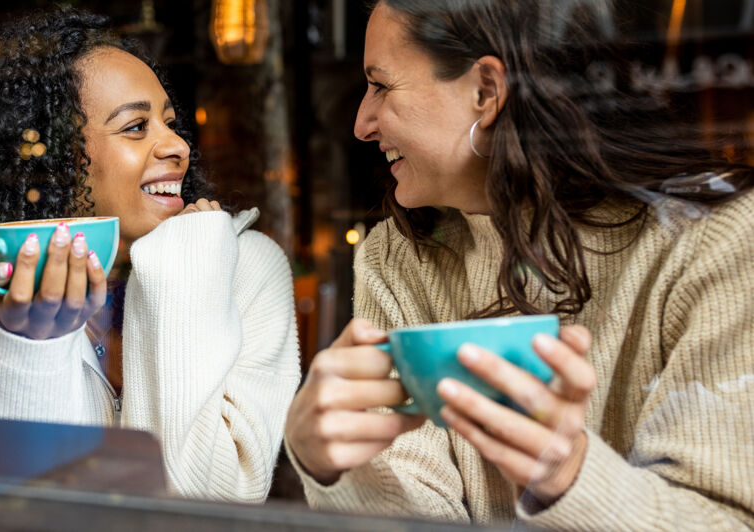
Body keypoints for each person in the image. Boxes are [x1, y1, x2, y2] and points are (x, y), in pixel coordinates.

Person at [284, 0, 754, 528]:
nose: (361, 124)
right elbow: (422, 508)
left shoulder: (718, 239)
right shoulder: (397, 254)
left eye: (382, 86)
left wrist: (570, 477)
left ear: (486, 91)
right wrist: (332, 466)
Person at [0, 8, 299, 502]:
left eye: (170, 123)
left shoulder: (245, 267)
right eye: (136, 127)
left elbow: (217, 499)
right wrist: (26, 346)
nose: (177, 144)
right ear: (55, 157)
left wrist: (186, 274)